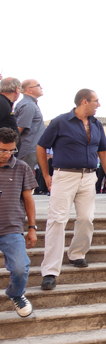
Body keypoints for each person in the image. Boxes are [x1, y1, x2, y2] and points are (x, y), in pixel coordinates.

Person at [37, 89, 106, 291]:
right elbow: (41, 146)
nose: (99, 105)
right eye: (96, 101)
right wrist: (46, 175)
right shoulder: (60, 121)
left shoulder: (97, 124)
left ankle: (77, 253)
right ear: (84, 101)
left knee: (86, 218)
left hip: (89, 177)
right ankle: (50, 270)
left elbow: (103, 150)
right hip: (64, 175)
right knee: (57, 219)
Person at [0, 128, 38, 317]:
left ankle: (16, 294)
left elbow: (29, 200)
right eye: (2, 150)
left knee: (20, 268)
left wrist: (32, 228)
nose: (7, 154)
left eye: (11, 150)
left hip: (11, 227)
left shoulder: (21, 167)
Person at [13, 79, 44, 169]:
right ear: (29, 90)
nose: (41, 87)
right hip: (27, 150)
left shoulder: (30, 104)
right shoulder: (28, 105)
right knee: (22, 179)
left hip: (30, 149)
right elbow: (19, 129)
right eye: (38, 85)